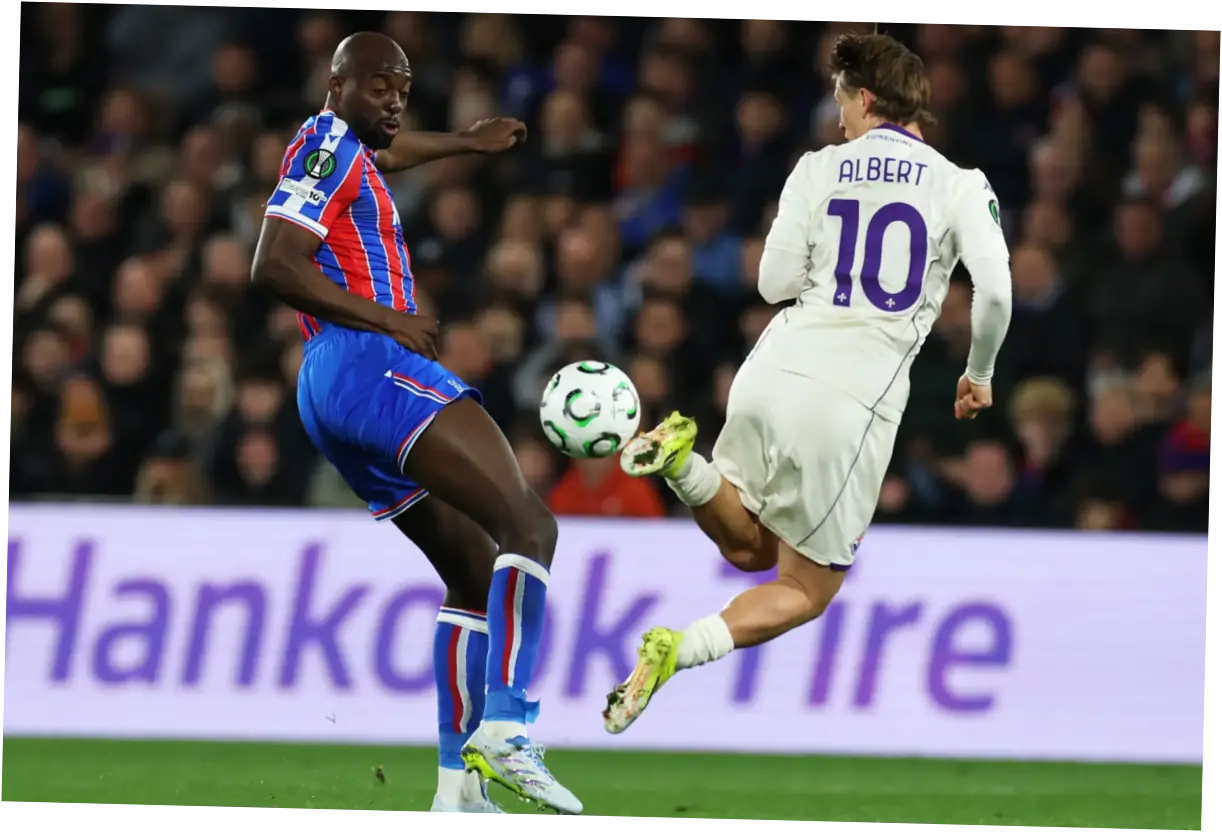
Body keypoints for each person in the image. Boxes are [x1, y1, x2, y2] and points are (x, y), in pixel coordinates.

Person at [604, 32, 1013, 733]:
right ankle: (680, 649)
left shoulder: (817, 167)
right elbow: (996, 292)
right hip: (849, 399)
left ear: (866, 98)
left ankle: (681, 464)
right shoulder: (960, 184)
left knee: (748, 547)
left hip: (770, 369)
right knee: (806, 587)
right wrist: (979, 374)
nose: (838, 116)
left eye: (841, 100)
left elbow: (773, 283)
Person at [250, 32, 581, 817]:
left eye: (403, 88)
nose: (396, 99)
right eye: (379, 86)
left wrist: (464, 142)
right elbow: (273, 262)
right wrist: (387, 320)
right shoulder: (325, 148)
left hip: (334, 387)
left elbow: (386, 154)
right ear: (336, 85)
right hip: (367, 361)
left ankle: (458, 793)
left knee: (472, 572)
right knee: (529, 525)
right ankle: (508, 725)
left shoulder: (347, 149)